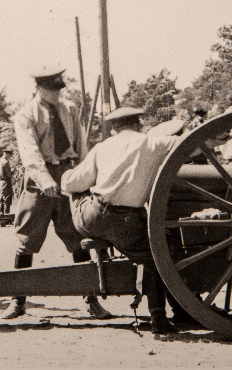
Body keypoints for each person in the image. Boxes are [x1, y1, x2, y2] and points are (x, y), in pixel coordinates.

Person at [60, 107, 190, 334]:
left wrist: (66, 178)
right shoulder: (153, 143)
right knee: (157, 256)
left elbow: (70, 185)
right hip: (127, 224)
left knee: (75, 187)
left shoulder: (102, 148)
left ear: (113, 129)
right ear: (138, 124)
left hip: (92, 220)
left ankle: (76, 235)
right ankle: (159, 317)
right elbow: (191, 143)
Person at [2, 65, 111, 320]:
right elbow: (29, 151)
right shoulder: (26, 114)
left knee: (78, 235)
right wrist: (44, 178)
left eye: (58, 89)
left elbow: (81, 146)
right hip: (39, 180)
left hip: (67, 176)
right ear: (39, 88)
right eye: (51, 90)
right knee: (27, 238)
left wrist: (85, 178)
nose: (55, 95)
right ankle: (18, 301)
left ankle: (90, 299)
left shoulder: (70, 109)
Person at [0, 148, 15, 215]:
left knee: (1, 198)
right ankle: (7, 215)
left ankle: (0, 213)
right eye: (9, 155)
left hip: (1, 182)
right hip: (6, 182)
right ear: (6, 154)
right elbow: (9, 174)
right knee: (7, 198)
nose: (10, 157)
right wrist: (13, 172)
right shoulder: (5, 162)